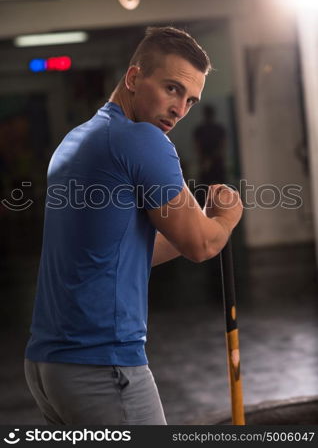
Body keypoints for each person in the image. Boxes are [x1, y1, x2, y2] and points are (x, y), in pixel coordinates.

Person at [24, 26, 243, 425]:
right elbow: (201, 246)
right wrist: (227, 217)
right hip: (101, 367)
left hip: (49, 366)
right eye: (172, 89)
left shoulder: (79, 139)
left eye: (191, 100)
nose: (180, 109)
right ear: (133, 77)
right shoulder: (142, 140)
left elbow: (121, 251)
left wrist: (200, 223)